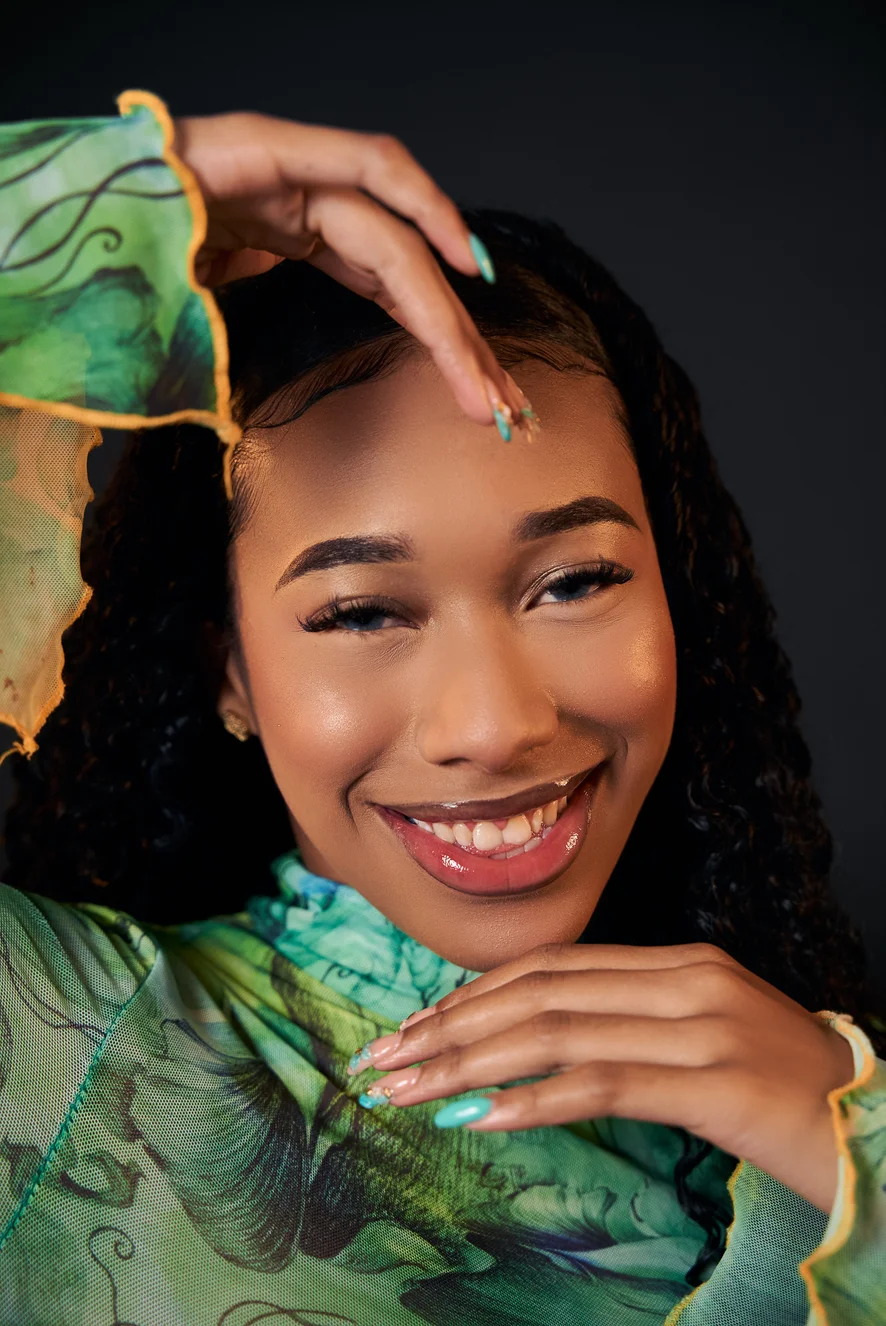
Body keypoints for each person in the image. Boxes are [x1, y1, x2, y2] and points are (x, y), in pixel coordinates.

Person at [0, 92, 882, 1325]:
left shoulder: (827, 1110)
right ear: (230, 672)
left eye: (575, 582)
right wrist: (90, 212)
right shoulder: (53, 1045)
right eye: (363, 612)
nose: (493, 723)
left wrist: (851, 1148)